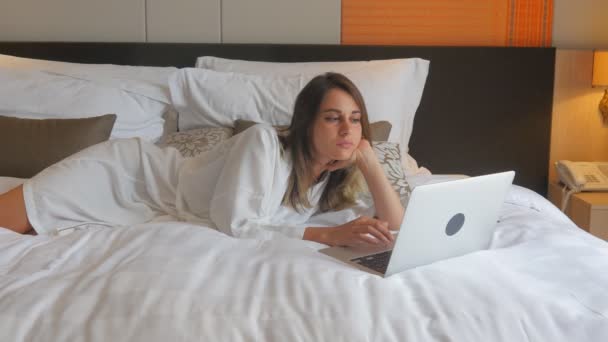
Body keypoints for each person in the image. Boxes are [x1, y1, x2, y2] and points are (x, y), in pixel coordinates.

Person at [0, 72, 404, 247]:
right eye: (332, 118)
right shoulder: (262, 143)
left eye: (355, 120)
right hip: (122, 176)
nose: (348, 131)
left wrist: (368, 163)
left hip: (149, 211)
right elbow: (237, 224)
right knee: (7, 220)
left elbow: (396, 227)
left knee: (35, 233)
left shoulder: (330, 177)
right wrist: (328, 236)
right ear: (306, 124)